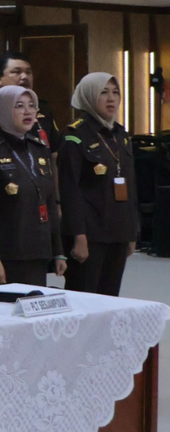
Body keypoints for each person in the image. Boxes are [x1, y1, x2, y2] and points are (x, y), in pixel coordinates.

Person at [0, 86, 65, 287]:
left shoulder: (39, 149)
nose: (28, 112)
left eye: (32, 106)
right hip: (7, 252)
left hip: (38, 250)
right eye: (19, 106)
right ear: (3, 110)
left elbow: (50, 202)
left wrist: (58, 251)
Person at [60, 72, 135, 296]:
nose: (111, 99)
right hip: (90, 233)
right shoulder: (75, 135)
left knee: (110, 298)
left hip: (118, 231)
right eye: (103, 92)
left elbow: (131, 186)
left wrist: (132, 232)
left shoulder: (121, 135)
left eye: (115, 92)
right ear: (89, 96)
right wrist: (78, 235)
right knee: (84, 297)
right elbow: (70, 190)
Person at [0, 54, 58, 147]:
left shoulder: (42, 107)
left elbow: (53, 149)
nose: (24, 77)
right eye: (17, 72)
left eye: (28, 72)